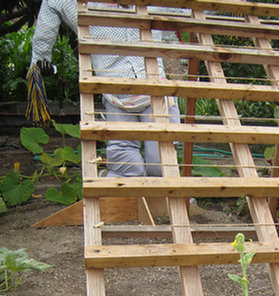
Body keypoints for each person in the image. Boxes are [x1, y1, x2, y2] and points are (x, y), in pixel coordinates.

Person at [29, 0, 181, 177]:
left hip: (156, 92)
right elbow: (52, 3)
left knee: (161, 164)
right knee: (125, 163)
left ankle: (161, 200)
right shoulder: (83, 6)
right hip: (116, 94)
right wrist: (40, 58)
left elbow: (187, 6)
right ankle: (124, 197)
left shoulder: (151, 4)